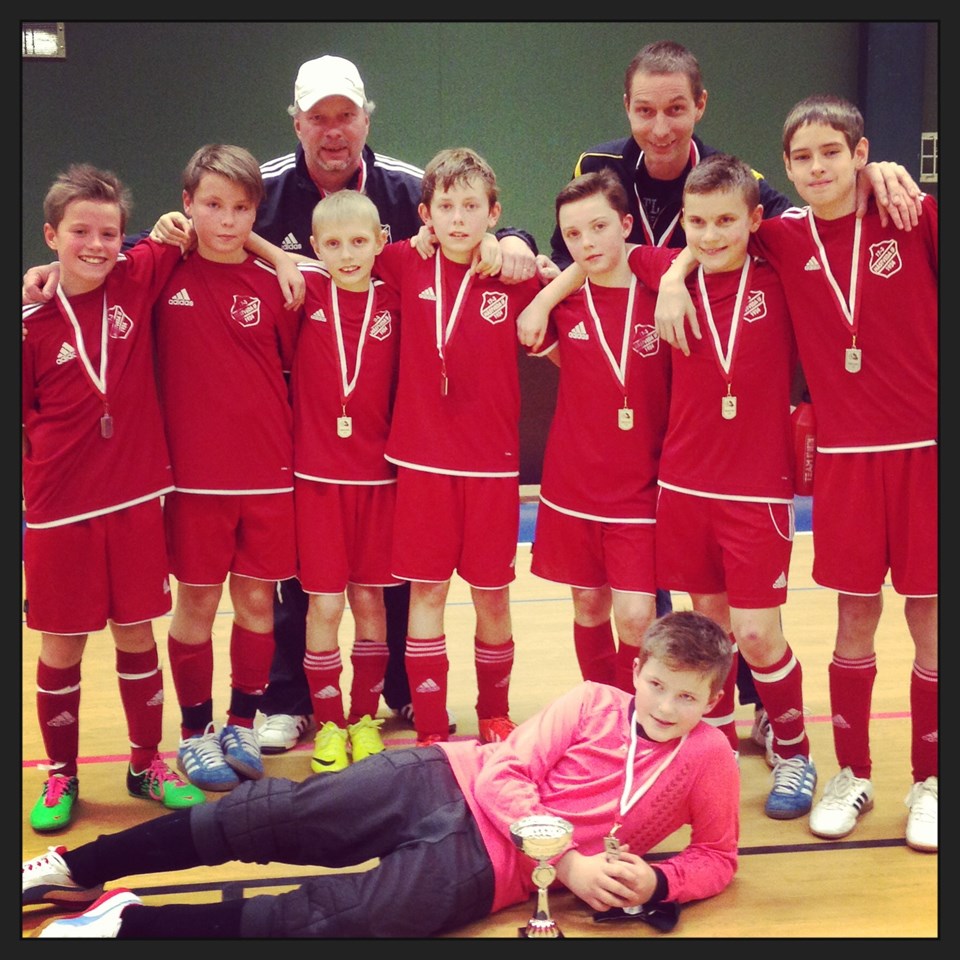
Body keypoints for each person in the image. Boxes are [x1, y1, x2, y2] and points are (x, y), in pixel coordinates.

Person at [23, 610, 739, 939]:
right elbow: (505, 774)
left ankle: (126, 926)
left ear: (713, 701)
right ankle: (76, 867)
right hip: (442, 778)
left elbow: (717, 856)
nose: (666, 706)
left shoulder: (708, 758)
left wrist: (661, 883)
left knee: (336, 920)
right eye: (657, 685)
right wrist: (570, 862)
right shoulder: (590, 702)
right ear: (636, 671)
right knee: (263, 815)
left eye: (687, 697)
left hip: (488, 869)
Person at [658, 95, 937, 851]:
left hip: (925, 452)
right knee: (854, 620)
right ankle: (850, 773)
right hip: (845, 460)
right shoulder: (780, 238)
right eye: (802, 157)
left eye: (832, 152)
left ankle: (931, 780)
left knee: (930, 621)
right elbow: (710, 227)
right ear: (783, 168)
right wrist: (674, 275)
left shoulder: (912, 213)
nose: (818, 167)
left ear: (861, 153)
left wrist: (888, 174)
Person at [253, 55, 539, 752]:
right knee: (314, 592)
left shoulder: (412, 194)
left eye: (345, 115)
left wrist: (514, 242)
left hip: (428, 458)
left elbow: (544, 259)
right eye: (318, 117)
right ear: (297, 123)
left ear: (365, 119)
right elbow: (212, 227)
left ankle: (419, 700)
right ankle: (299, 704)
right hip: (318, 442)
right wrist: (279, 256)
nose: (332, 129)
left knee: (403, 594)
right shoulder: (268, 189)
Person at [21, 164, 205, 832]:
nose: (95, 245)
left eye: (108, 233)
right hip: (60, 510)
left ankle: (145, 764)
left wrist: (171, 224)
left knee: (137, 635)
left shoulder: (137, 274)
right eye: (80, 232)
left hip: (132, 500)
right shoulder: (29, 320)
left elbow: (196, 226)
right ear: (51, 236)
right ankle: (61, 773)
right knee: (61, 646)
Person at [639, 153, 816, 818]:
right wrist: (674, 274)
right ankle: (713, 757)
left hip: (756, 490)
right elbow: (600, 256)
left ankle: (795, 752)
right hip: (684, 486)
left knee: (759, 633)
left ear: (754, 219)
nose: (710, 235)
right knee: (711, 632)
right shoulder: (667, 271)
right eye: (697, 223)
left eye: (725, 221)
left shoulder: (780, 273)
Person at [372, 147, 545, 747]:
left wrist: (519, 244)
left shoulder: (512, 275)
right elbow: (337, 250)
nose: (458, 218)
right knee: (427, 591)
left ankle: (494, 714)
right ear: (426, 214)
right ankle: (428, 725)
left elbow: (564, 278)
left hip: (491, 466)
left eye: (472, 206)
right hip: (421, 463)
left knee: (492, 594)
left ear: (493, 213)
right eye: (446, 206)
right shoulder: (403, 261)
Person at [151, 144, 302, 792]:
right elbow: (98, 262)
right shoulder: (162, 272)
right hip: (193, 480)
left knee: (256, 604)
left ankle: (241, 721)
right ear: (187, 204)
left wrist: (279, 256)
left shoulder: (277, 283)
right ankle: (194, 733)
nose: (227, 219)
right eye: (212, 204)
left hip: (268, 474)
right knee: (196, 602)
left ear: (256, 212)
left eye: (241, 208)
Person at [521, 170, 672, 694]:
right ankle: (601, 707)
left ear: (626, 224)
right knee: (588, 603)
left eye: (599, 226)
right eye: (573, 233)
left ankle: (631, 710)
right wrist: (544, 297)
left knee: (636, 614)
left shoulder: (664, 291)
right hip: (574, 482)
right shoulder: (562, 303)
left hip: (642, 485)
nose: (587, 242)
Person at [287, 190, 402, 773]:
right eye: (333, 244)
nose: (348, 254)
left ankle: (364, 717)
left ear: (381, 241)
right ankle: (329, 722)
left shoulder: (396, 298)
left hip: (379, 481)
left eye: (359, 241)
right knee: (325, 605)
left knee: (370, 601)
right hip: (318, 481)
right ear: (314, 249)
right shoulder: (303, 291)